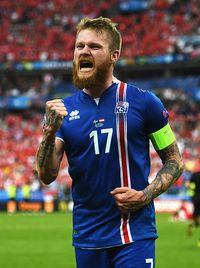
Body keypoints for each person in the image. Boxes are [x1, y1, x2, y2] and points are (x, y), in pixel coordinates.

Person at [36, 17, 184, 268]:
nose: (84, 51)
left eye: (94, 46)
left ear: (114, 55)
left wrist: (144, 195)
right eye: (79, 46)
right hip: (87, 236)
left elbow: (174, 160)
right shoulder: (63, 110)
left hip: (133, 234)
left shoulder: (144, 102)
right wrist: (49, 132)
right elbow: (46, 174)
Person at [187, 170, 200, 247]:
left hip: (196, 199)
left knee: (197, 216)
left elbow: (191, 187)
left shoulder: (194, 175)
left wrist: (192, 197)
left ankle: (192, 225)